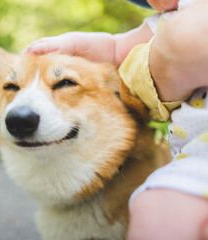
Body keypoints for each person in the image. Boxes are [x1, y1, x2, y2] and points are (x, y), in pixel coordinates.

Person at [24, 0, 208, 239]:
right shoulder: (167, 20)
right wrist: (71, 44)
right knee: (151, 210)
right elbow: (113, 48)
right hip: (199, 159)